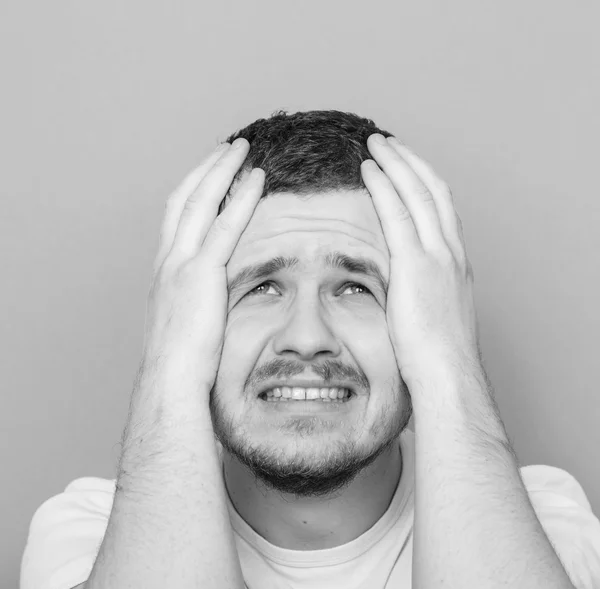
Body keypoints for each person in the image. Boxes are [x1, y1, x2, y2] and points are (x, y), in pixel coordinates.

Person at [20, 110, 600, 589]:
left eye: (356, 288)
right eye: (261, 288)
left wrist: (449, 366)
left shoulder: (543, 520)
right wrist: (169, 371)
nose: (307, 337)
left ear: (431, 315)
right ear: (188, 321)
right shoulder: (92, 533)